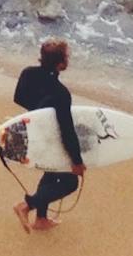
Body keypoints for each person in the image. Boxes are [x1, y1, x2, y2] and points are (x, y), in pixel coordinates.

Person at [11, 37, 85, 231]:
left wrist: (38, 111)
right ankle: (26, 206)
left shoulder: (27, 74)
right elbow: (67, 128)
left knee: (50, 174)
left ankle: (41, 219)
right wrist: (77, 161)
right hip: (52, 138)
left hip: (33, 132)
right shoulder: (60, 93)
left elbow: (18, 97)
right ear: (61, 63)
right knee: (69, 182)